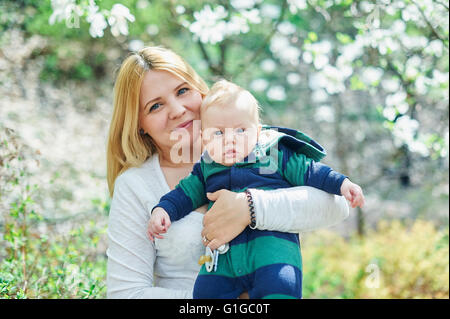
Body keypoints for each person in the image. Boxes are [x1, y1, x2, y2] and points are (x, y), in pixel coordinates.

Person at [106, 46, 350, 299]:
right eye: (155, 106)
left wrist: (251, 208)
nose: (177, 109)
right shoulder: (137, 185)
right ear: (139, 125)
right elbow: (125, 293)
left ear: (199, 89)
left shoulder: (253, 144)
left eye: (182, 90)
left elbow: (337, 205)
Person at [148, 80, 365, 299]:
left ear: (258, 132)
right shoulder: (206, 168)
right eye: (219, 134)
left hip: (273, 257)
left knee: (281, 288)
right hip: (223, 264)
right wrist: (163, 210)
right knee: (204, 293)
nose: (230, 140)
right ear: (204, 137)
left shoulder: (272, 155)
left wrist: (342, 184)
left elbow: (311, 171)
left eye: (241, 130)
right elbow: (184, 194)